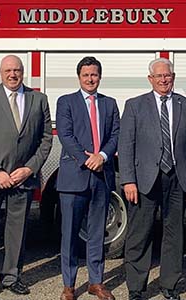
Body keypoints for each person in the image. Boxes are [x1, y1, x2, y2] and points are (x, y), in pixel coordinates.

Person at [0, 55, 53, 300]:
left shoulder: (39, 99)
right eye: (8, 70)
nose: (12, 74)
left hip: (23, 178)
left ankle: (11, 276)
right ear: (0, 72)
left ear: (23, 71)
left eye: (16, 70)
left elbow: (45, 139)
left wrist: (30, 168)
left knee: (18, 230)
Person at [118, 58, 186, 300]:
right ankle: (136, 288)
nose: (164, 79)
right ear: (150, 79)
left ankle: (170, 285)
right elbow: (126, 146)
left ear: (173, 77)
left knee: (174, 234)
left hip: (177, 179)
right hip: (144, 180)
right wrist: (128, 181)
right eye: (159, 76)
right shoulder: (134, 106)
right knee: (139, 234)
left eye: (168, 75)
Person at [54, 56, 120, 300]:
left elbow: (116, 134)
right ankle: (69, 285)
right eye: (86, 75)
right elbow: (66, 135)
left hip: (101, 176)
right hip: (74, 176)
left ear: (100, 77)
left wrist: (102, 156)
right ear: (79, 77)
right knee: (70, 234)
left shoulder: (110, 103)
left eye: (94, 74)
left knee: (96, 232)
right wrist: (86, 159)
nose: (90, 79)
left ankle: (96, 282)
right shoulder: (66, 102)